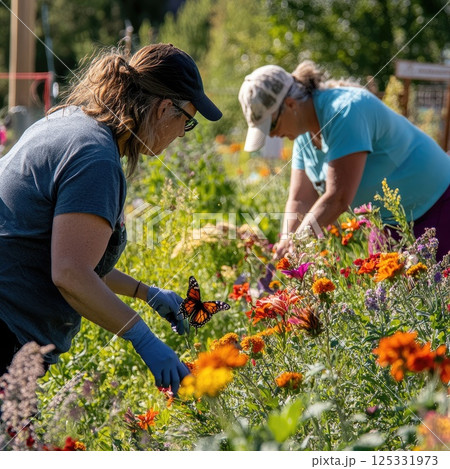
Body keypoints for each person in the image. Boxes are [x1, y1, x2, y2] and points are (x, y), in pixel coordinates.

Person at [0, 43, 222, 395]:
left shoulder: (68, 122)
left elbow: (68, 253)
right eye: (187, 120)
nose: (182, 133)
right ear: (166, 108)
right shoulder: (96, 159)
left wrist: (144, 292)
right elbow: (70, 273)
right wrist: (143, 339)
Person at [238, 62, 450, 261]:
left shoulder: (345, 111)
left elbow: (338, 197)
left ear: (290, 104)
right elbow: (300, 199)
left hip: (436, 205)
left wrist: (297, 245)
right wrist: (286, 241)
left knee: (435, 294)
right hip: (388, 221)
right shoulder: (303, 134)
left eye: (271, 126)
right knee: (382, 296)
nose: (272, 136)